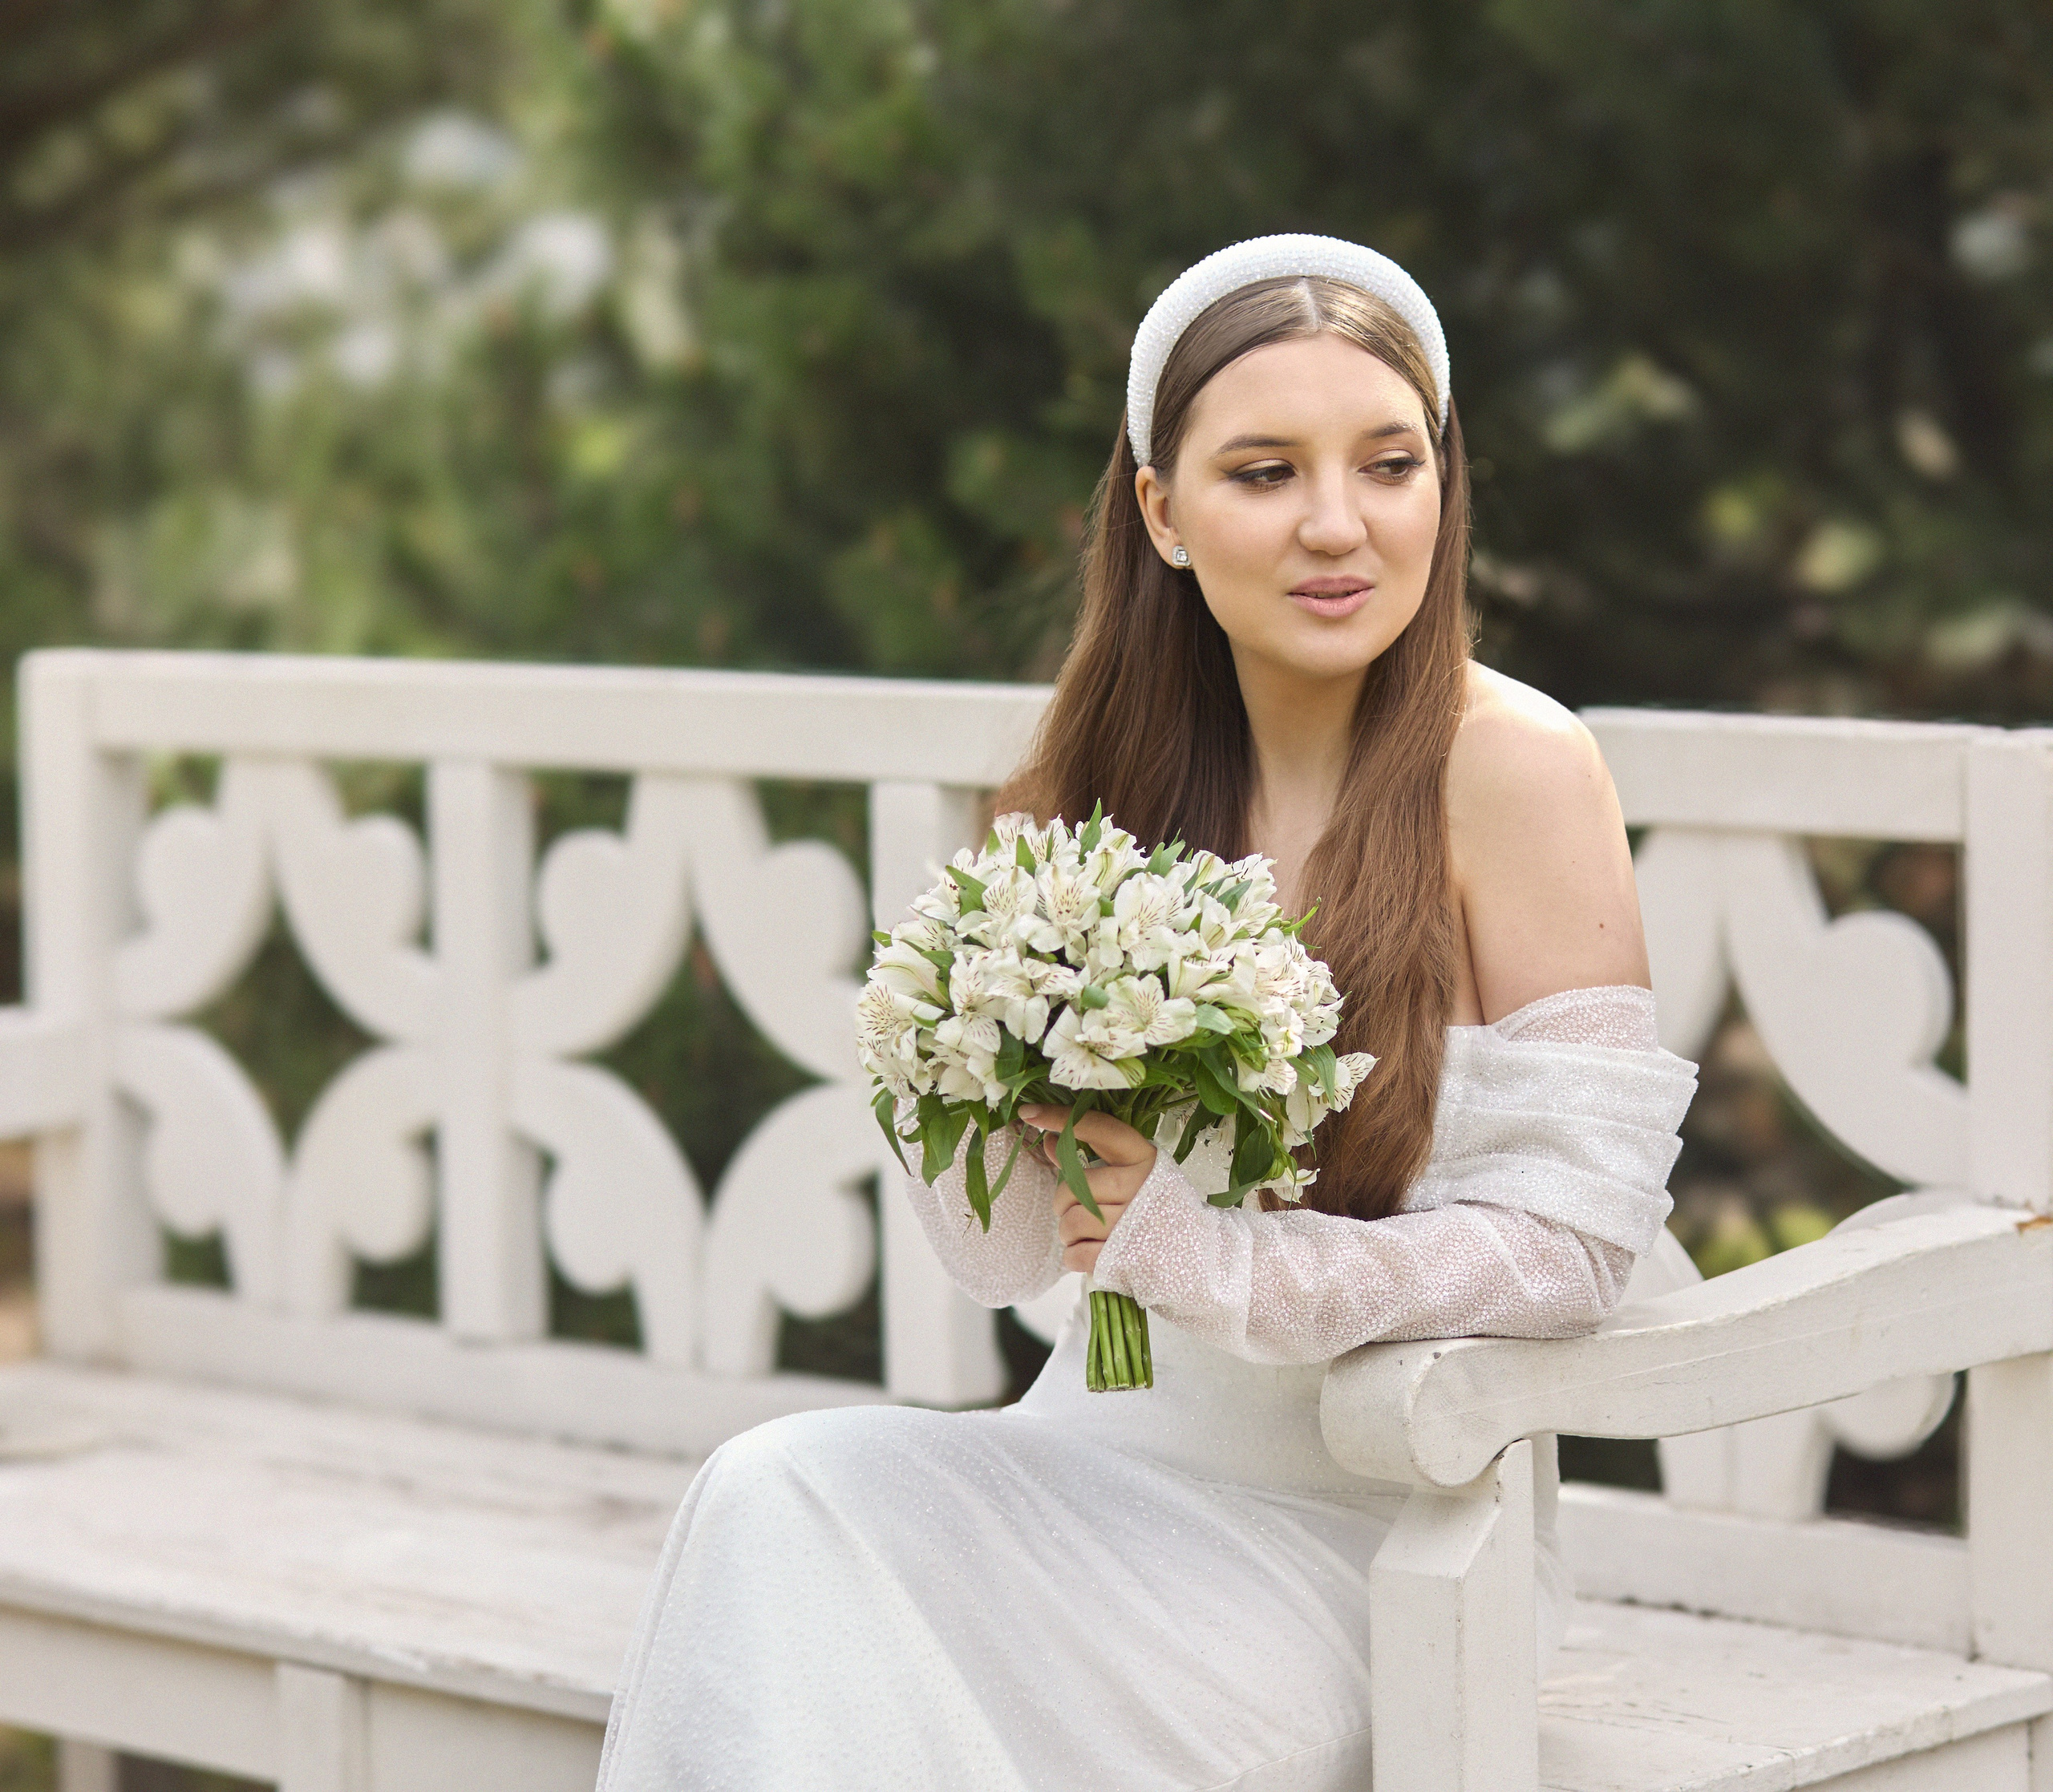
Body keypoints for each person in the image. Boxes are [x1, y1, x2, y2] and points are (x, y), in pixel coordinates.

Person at [596, 235, 1697, 1792]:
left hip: (1386, 1532)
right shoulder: (1073, 788)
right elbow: (1003, 1257)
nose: (1337, 523)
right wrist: (960, 1069)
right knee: (778, 1490)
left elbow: (1576, 1242)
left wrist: (1237, 1264)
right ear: (1162, 512)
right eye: (1263, 472)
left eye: (1387, 464)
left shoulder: (1511, 764)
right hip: (1093, 1458)